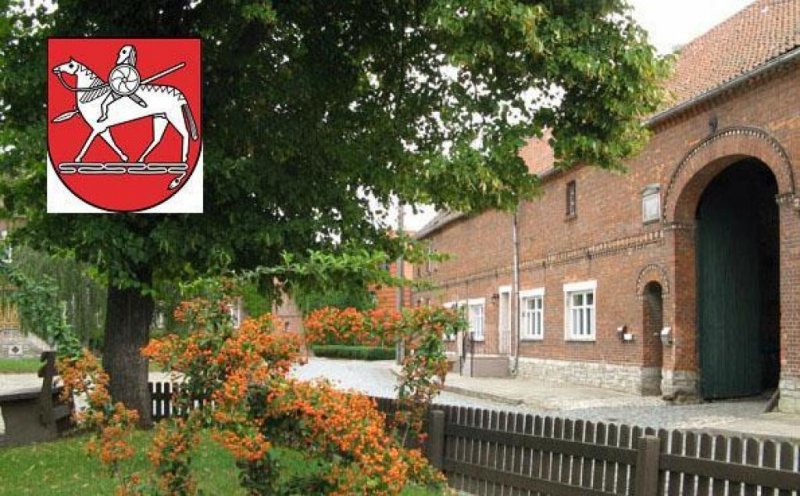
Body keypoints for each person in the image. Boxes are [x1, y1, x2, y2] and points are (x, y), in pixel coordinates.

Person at [98, 45, 146, 122]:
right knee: (104, 104)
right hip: (117, 89)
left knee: (133, 97)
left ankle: (141, 102)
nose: (119, 54)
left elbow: (132, 81)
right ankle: (104, 116)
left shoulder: (130, 70)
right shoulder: (119, 69)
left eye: (123, 52)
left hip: (126, 89)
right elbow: (114, 79)